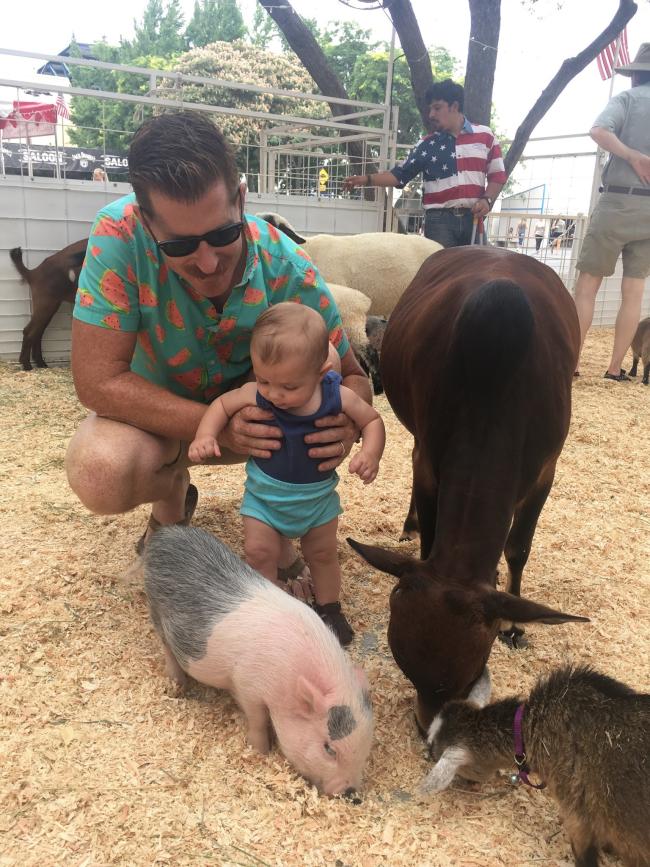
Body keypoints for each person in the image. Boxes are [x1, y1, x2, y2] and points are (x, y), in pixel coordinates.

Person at [65, 111, 372, 594]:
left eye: (224, 235)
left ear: (242, 199)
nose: (207, 263)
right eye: (181, 244)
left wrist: (349, 422)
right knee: (101, 472)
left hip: (259, 427)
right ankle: (171, 497)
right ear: (146, 222)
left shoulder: (286, 263)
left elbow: (354, 376)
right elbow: (96, 381)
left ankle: (273, 518)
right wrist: (217, 423)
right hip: (164, 423)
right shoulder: (118, 237)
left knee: (323, 363)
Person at [189, 303, 386, 645]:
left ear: (320, 371)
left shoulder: (335, 397)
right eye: (264, 379)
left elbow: (372, 420)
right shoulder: (257, 394)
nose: (274, 394)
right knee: (258, 553)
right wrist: (206, 435)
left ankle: (330, 610)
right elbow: (221, 405)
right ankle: (268, 609)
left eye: (289, 387)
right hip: (264, 501)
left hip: (317, 504)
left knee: (323, 555)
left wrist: (370, 452)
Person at [342, 79, 506, 247]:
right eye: (430, 109)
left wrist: (487, 200)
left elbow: (498, 175)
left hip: (473, 219)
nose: (431, 115)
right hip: (439, 222)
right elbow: (399, 175)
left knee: (478, 271)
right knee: (441, 272)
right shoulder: (427, 144)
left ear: (454, 106)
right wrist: (366, 180)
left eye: (437, 108)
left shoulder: (486, 136)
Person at [573, 42, 650, 381]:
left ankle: (572, 362)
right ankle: (615, 368)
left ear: (635, 76)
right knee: (634, 291)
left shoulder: (627, 100)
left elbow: (598, 131)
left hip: (618, 200)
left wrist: (631, 155)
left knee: (588, 284)